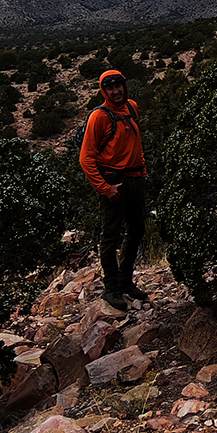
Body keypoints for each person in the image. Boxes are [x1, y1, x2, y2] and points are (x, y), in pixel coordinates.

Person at [79, 69, 149, 310]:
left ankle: (125, 281)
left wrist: (142, 170)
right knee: (110, 236)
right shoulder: (99, 117)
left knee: (137, 229)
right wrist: (104, 188)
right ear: (103, 91)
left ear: (124, 86)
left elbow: (135, 141)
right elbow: (86, 158)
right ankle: (111, 289)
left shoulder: (132, 107)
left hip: (134, 178)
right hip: (113, 182)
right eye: (109, 88)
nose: (115, 91)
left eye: (118, 85)